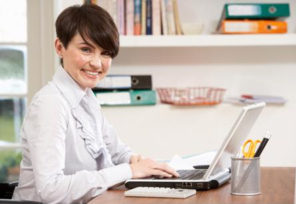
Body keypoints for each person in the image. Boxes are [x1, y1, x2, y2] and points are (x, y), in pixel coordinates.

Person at [13, 3, 178, 203]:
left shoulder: (86, 97)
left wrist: (136, 161)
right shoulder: (50, 105)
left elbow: (116, 150)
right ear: (59, 47)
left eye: (106, 53)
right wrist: (129, 171)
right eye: (86, 50)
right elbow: (51, 189)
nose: (97, 63)